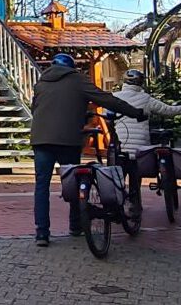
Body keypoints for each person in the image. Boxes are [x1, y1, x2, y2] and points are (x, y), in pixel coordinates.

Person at [30, 53, 146, 247]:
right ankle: (76, 226)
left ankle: (42, 234)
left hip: (41, 140)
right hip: (68, 140)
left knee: (41, 187)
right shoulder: (78, 80)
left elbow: (36, 109)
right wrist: (136, 113)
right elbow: (106, 100)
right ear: (72, 67)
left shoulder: (41, 83)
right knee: (72, 183)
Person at [113, 69, 181, 151]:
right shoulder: (146, 98)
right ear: (141, 83)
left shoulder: (114, 97)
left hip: (119, 144)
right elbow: (167, 110)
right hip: (140, 146)